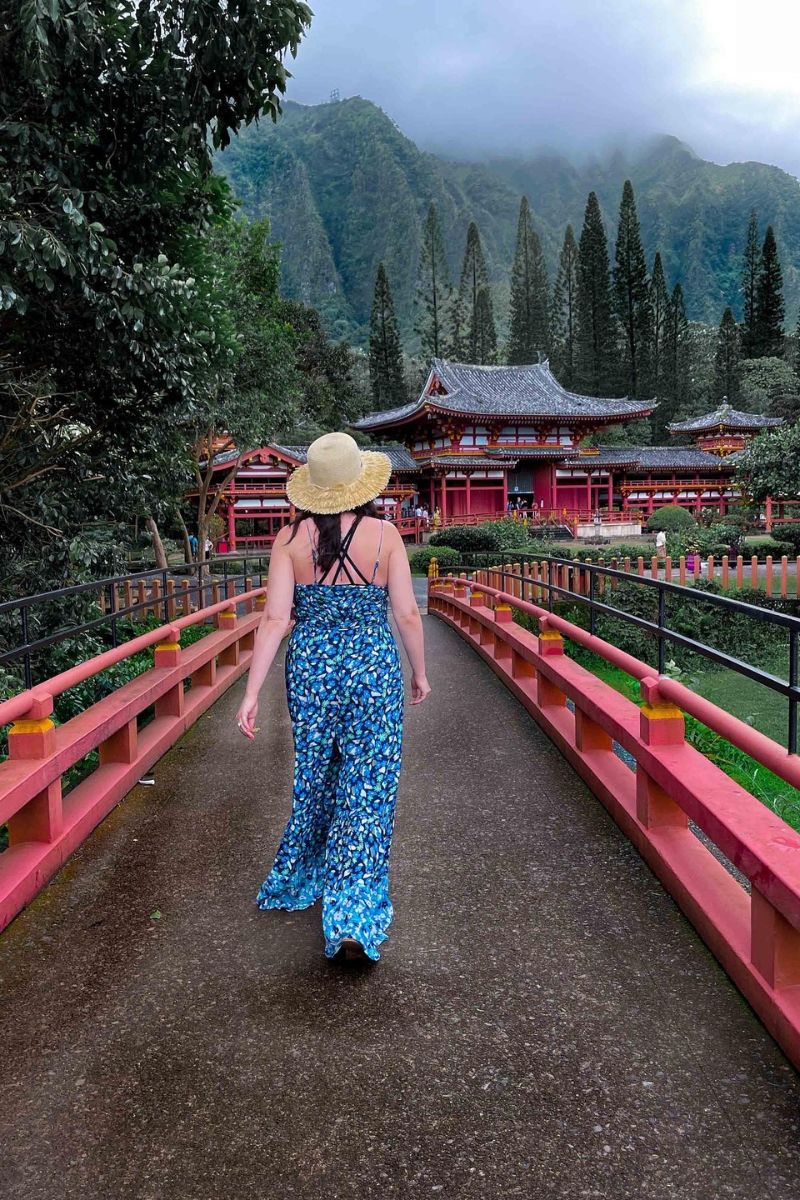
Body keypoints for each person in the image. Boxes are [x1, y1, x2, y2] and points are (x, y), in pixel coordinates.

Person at [237, 432, 430, 963]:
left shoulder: (288, 540)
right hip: (372, 670)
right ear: (361, 484)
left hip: (312, 674)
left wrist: (251, 692)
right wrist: (420, 672)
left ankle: (304, 875)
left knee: (317, 774)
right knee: (367, 788)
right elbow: (407, 614)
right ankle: (352, 913)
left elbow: (276, 619)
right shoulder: (386, 535)